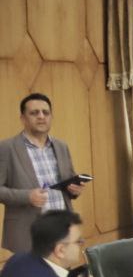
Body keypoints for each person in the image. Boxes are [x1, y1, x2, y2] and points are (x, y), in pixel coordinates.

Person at [0, 93, 87, 254]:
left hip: (62, 229)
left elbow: (69, 181)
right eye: (34, 113)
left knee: (61, 270)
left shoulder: (61, 146)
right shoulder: (6, 148)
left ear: (51, 117)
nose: (41, 116)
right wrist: (27, 196)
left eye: (45, 112)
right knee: (32, 271)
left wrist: (74, 190)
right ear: (23, 118)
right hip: (28, 232)